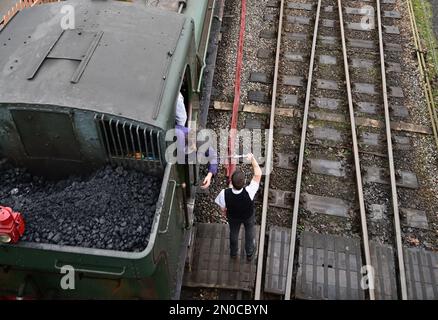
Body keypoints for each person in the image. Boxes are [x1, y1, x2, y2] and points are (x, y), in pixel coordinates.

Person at [215, 153, 262, 261]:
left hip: (233, 217)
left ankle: (233, 253)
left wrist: (225, 213)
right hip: (248, 216)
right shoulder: (249, 191)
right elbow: (258, 173)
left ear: (231, 181)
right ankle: (249, 254)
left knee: (234, 233)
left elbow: (223, 209)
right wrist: (252, 159)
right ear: (244, 182)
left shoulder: (224, 193)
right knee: (249, 232)